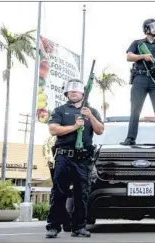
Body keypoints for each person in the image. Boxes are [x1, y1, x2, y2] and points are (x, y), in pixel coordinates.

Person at [45, 79, 104, 238]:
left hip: (83, 158)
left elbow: (100, 130)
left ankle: (79, 227)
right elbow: (53, 129)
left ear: (82, 93)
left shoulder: (92, 111)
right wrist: (74, 127)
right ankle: (53, 227)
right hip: (64, 156)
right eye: (71, 91)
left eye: (77, 91)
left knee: (81, 194)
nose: (74, 93)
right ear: (67, 93)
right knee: (58, 192)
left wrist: (90, 116)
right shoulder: (60, 110)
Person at [120, 18, 155, 146]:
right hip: (140, 78)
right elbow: (129, 56)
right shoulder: (137, 43)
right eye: (153, 26)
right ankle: (130, 138)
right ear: (146, 29)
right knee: (135, 109)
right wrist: (143, 56)